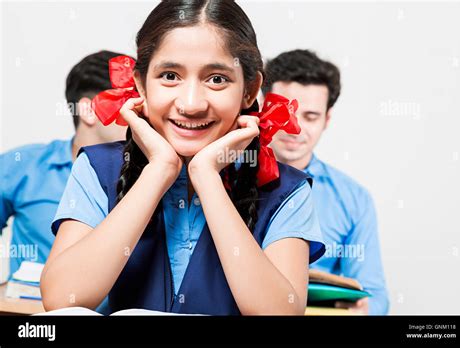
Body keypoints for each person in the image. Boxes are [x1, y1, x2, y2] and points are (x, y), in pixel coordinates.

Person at [40, 0, 325, 315]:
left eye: (217, 79)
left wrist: (207, 177)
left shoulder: (287, 190)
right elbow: (62, 299)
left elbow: (280, 313)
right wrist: (159, 170)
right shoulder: (97, 168)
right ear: (139, 84)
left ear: (249, 89)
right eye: (170, 76)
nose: (191, 104)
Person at [263, 49, 389, 315]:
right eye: (285, 112)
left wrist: (363, 309)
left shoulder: (354, 199)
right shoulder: (222, 177)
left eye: (310, 117)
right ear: (264, 107)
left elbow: (376, 296)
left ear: (326, 119)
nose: (295, 127)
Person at [0, 50, 126, 276]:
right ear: (89, 110)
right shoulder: (24, 165)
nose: (138, 113)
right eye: (126, 102)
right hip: (31, 309)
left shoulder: (151, 174)